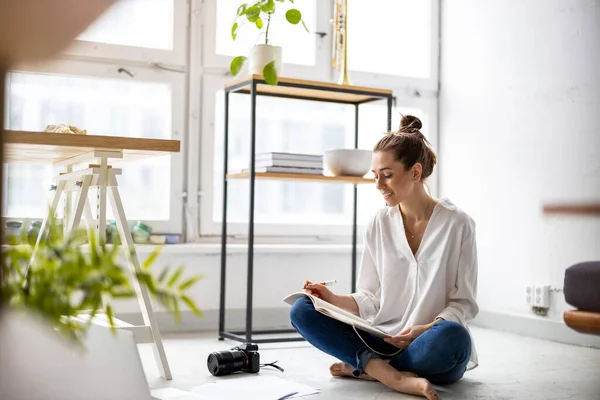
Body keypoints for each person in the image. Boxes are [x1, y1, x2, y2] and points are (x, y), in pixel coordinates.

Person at [290, 115, 479, 400]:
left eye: (387, 174)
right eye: (375, 175)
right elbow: (371, 297)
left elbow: (463, 302)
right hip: (380, 339)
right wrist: (331, 298)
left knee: (454, 338)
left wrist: (426, 328)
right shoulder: (379, 223)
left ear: (415, 172)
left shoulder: (458, 223)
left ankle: (366, 367)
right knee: (302, 309)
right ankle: (391, 375)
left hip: (428, 343)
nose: (378, 184)